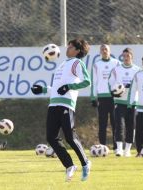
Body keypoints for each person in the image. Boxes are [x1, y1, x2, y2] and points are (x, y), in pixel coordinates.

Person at [31, 39, 91, 181]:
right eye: (68, 46)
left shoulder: (77, 63)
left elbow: (87, 81)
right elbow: (58, 88)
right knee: (51, 137)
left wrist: (69, 87)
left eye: (71, 47)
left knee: (70, 137)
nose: (67, 48)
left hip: (66, 105)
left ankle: (85, 162)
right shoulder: (63, 64)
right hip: (53, 105)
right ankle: (69, 166)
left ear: (77, 50)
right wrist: (43, 89)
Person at [108, 48, 140, 157]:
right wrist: (115, 91)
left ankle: (127, 150)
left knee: (131, 126)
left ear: (131, 56)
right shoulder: (116, 69)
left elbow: (139, 85)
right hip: (119, 101)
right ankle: (119, 149)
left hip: (132, 102)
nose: (126, 58)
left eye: (128, 56)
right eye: (124, 56)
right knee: (119, 124)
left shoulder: (137, 70)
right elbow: (111, 83)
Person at [90, 44, 120, 151]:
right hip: (102, 98)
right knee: (102, 123)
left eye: (106, 49)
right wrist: (93, 98)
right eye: (102, 49)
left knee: (115, 122)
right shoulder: (96, 65)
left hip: (114, 97)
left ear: (109, 51)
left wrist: (118, 93)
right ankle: (102, 146)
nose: (104, 51)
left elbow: (119, 79)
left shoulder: (116, 63)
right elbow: (94, 82)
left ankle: (117, 146)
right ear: (100, 52)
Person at [128, 53, 143, 157]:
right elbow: (133, 90)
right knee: (139, 131)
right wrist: (131, 103)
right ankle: (139, 151)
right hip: (141, 108)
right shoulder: (138, 75)